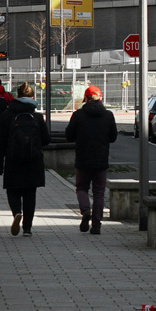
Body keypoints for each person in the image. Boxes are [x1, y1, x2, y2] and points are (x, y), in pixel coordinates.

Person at [65, 85, 118, 234]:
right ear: (100, 98)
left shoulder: (78, 115)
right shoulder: (108, 115)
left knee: (82, 187)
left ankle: (85, 210)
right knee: (99, 192)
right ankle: (96, 225)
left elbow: (69, 135)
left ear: (86, 99)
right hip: (101, 160)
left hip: (82, 158)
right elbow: (113, 137)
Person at [2, 83, 49, 236]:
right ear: (32, 97)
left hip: (13, 159)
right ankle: (27, 228)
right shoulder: (36, 117)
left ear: (17, 95)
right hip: (33, 160)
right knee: (30, 194)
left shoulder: (7, 115)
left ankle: (16, 212)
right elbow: (46, 140)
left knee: (12, 190)